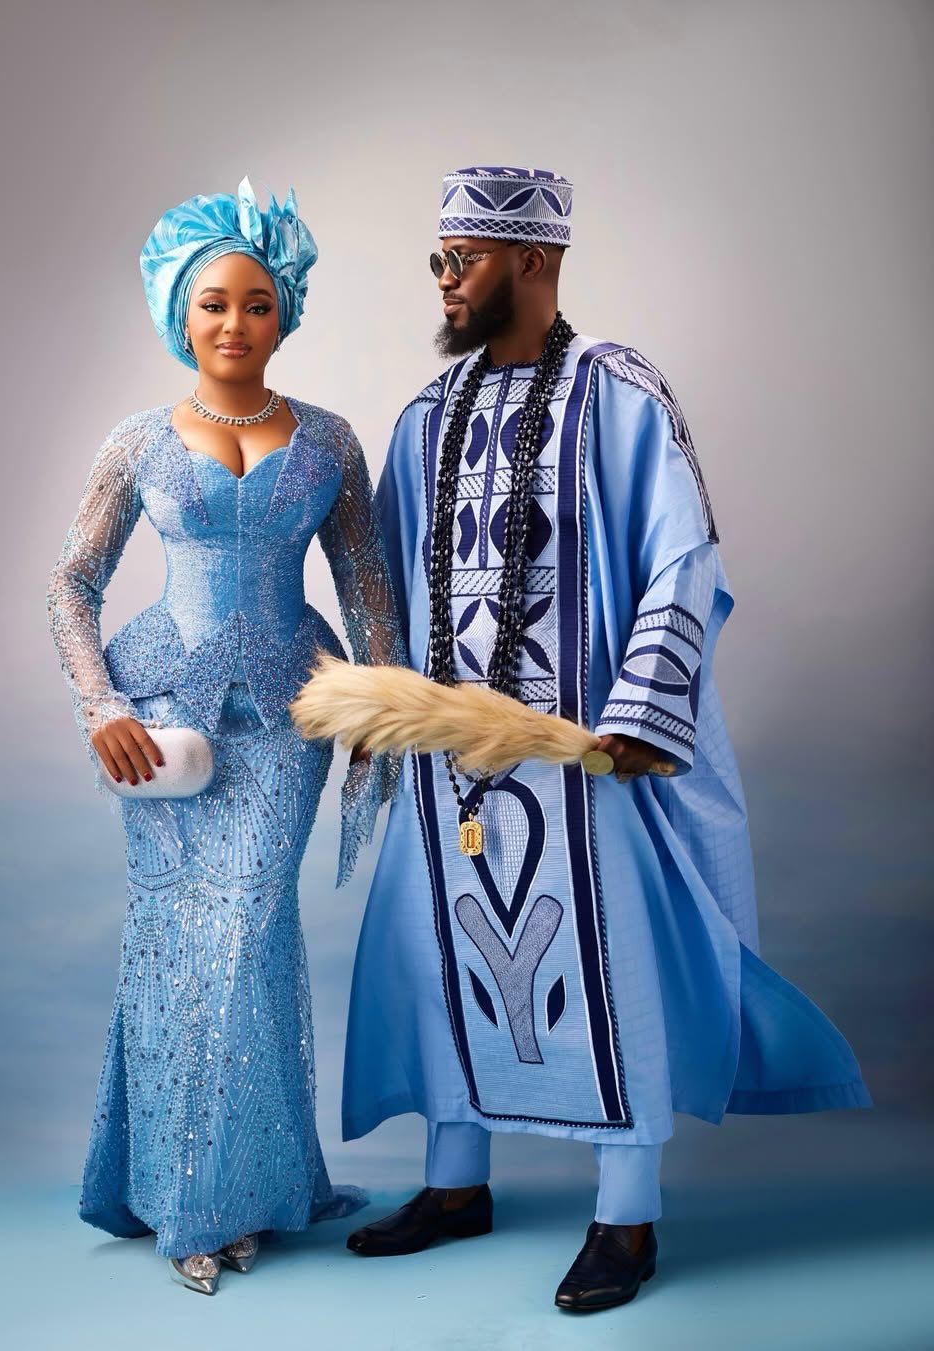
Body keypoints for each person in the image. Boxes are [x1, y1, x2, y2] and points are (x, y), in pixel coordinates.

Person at [341, 166, 870, 1312]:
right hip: (457, 762)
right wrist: (380, 708)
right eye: (438, 255)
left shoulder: (621, 394)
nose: (444, 276)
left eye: (465, 255)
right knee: (447, 956)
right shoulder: (425, 418)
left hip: (588, 752)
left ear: (534, 261)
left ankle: (626, 1217)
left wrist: (639, 714)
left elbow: (683, 559)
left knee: (610, 967)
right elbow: (384, 578)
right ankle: (454, 1181)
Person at [47, 179, 403, 1295]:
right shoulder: (137, 442)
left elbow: (370, 594)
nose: (234, 323)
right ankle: (177, 1189)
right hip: (160, 723)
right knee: (171, 948)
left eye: (257, 302)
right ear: (178, 314)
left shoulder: (335, 444)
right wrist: (101, 706)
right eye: (212, 303)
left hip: (287, 724)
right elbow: (71, 583)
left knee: (249, 931)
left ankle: (225, 1194)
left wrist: (378, 712)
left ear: (286, 311)